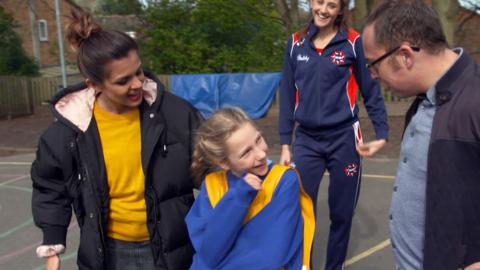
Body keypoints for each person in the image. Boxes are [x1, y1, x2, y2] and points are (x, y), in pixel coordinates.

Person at [31, 9, 202, 270]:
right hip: (110, 253)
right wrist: (53, 241)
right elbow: (50, 186)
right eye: (123, 81)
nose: (137, 84)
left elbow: (212, 163)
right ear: (95, 85)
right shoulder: (70, 131)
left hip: (173, 246)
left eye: (139, 72)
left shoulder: (176, 113)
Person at [361, 1, 480, 270]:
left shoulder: (475, 101)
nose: (373, 76)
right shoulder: (423, 102)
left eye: (374, 64)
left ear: (405, 55)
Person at [278, 0, 389, 269]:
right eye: (319, 2)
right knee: (302, 210)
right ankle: (303, 265)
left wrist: (382, 132)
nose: (323, 9)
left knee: (341, 214)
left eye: (331, 4)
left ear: (340, 10)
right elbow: (287, 96)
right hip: (306, 140)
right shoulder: (295, 43)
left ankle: (334, 266)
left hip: (344, 139)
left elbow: (370, 89)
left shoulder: (353, 43)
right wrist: (284, 142)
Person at [185, 107, 316, 269]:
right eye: (246, 152)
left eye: (258, 139)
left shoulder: (283, 181)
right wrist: (238, 197)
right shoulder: (212, 186)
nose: (261, 154)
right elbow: (209, 254)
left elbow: (269, 255)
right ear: (224, 163)